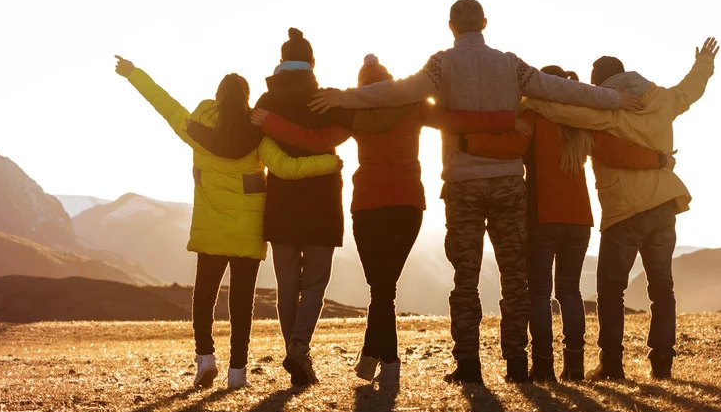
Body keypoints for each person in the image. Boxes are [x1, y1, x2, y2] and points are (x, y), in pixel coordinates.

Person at [310, 0, 639, 386]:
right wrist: (616, 99)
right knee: (514, 278)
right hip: (507, 182)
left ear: (451, 26)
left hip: (463, 182)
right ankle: (517, 364)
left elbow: (396, 92)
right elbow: (561, 91)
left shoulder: (441, 64)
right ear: (484, 23)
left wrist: (344, 96)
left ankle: (468, 366)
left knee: (464, 278)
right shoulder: (510, 63)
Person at [254, 54, 515, 389]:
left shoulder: (355, 112)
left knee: (381, 289)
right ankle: (376, 360)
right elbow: (457, 120)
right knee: (383, 289)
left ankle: (385, 362)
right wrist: (506, 120)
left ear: (362, 88)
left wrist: (269, 123)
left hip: (368, 206)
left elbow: (313, 140)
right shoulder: (414, 104)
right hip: (408, 206)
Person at [113, 55, 341, 390]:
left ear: (218, 98)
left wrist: (133, 73)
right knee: (241, 304)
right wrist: (328, 163)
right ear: (246, 99)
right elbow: (287, 168)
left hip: (211, 231)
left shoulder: (195, 129)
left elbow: (162, 101)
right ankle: (238, 372)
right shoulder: (258, 137)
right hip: (247, 234)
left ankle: (205, 359)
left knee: (204, 297)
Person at [521, 37, 719, 380]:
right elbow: (691, 90)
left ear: (598, 84)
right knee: (662, 288)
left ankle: (611, 365)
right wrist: (704, 63)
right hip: (663, 206)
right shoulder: (663, 100)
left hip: (624, 212)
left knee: (611, 291)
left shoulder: (605, 109)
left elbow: (566, 111)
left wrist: (530, 100)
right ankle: (662, 365)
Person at [463, 66, 673, 381]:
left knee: (540, 292)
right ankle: (573, 367)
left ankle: (544, 366)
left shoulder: (533, 117)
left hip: (543, 216)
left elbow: (509, 147)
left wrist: (467, 143)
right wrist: (658, 159)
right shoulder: (582, 124)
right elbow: (617, 152)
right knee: (570, 291)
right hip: (580, 220)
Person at [253, 28, 358, 388]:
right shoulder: (325, 99)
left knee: (287, 284)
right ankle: (299, 347)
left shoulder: (266, 101)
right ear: (312, 63)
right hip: (321, 202)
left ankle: (294, 350)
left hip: (280, 204)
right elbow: (347, 127)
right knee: (314, 284)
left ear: (281, 63)